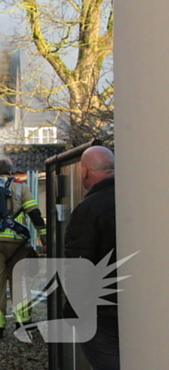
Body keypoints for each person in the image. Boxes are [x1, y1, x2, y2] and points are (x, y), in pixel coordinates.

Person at [0, 158, 47, 339]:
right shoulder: (20, 186)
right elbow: (34, 212)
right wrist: (43, 235)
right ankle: (22, 322)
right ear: (10, 170)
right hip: (16, 241)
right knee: (20, 280)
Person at [64, 146, 119, 370]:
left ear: (85, 173)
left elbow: (79, 264)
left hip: (101, 313)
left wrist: (72, 310)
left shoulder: (88, 209)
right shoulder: (137, 200)